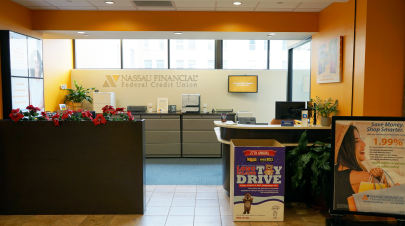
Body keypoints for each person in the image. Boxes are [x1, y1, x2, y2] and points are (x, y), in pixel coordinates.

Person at [334, 123, 385, 210]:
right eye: (356, 141)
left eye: (360, 139)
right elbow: (387, 203)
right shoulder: (364, 177)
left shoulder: (334, 171)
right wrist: (381, 179)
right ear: (346, 147)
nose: (364, 144)